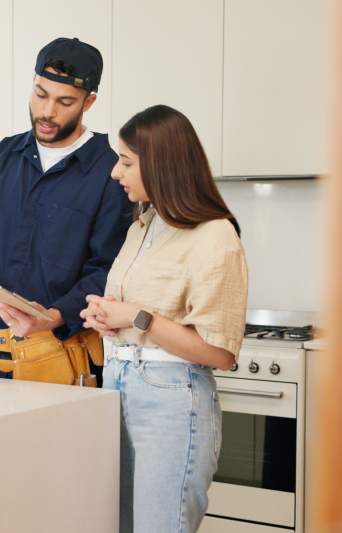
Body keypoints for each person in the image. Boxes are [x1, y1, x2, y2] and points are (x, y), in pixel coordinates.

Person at [80, 104, 248, 532]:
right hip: (117, 387)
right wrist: (108, 317)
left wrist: (138, 318)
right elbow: (133, 313)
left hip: (170, 403)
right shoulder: (143, 224)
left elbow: (219, 352)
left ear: (161, 165)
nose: (116, 173)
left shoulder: (215, 235)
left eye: (126, 162)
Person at [0, 37, 133, 385]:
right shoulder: (2, 157)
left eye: (65, 102)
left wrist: (51, 317)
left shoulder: (110, 170)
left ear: (88, 101)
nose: (48, 112)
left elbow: (108, 269)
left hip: (66, 358)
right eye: (40, 94)